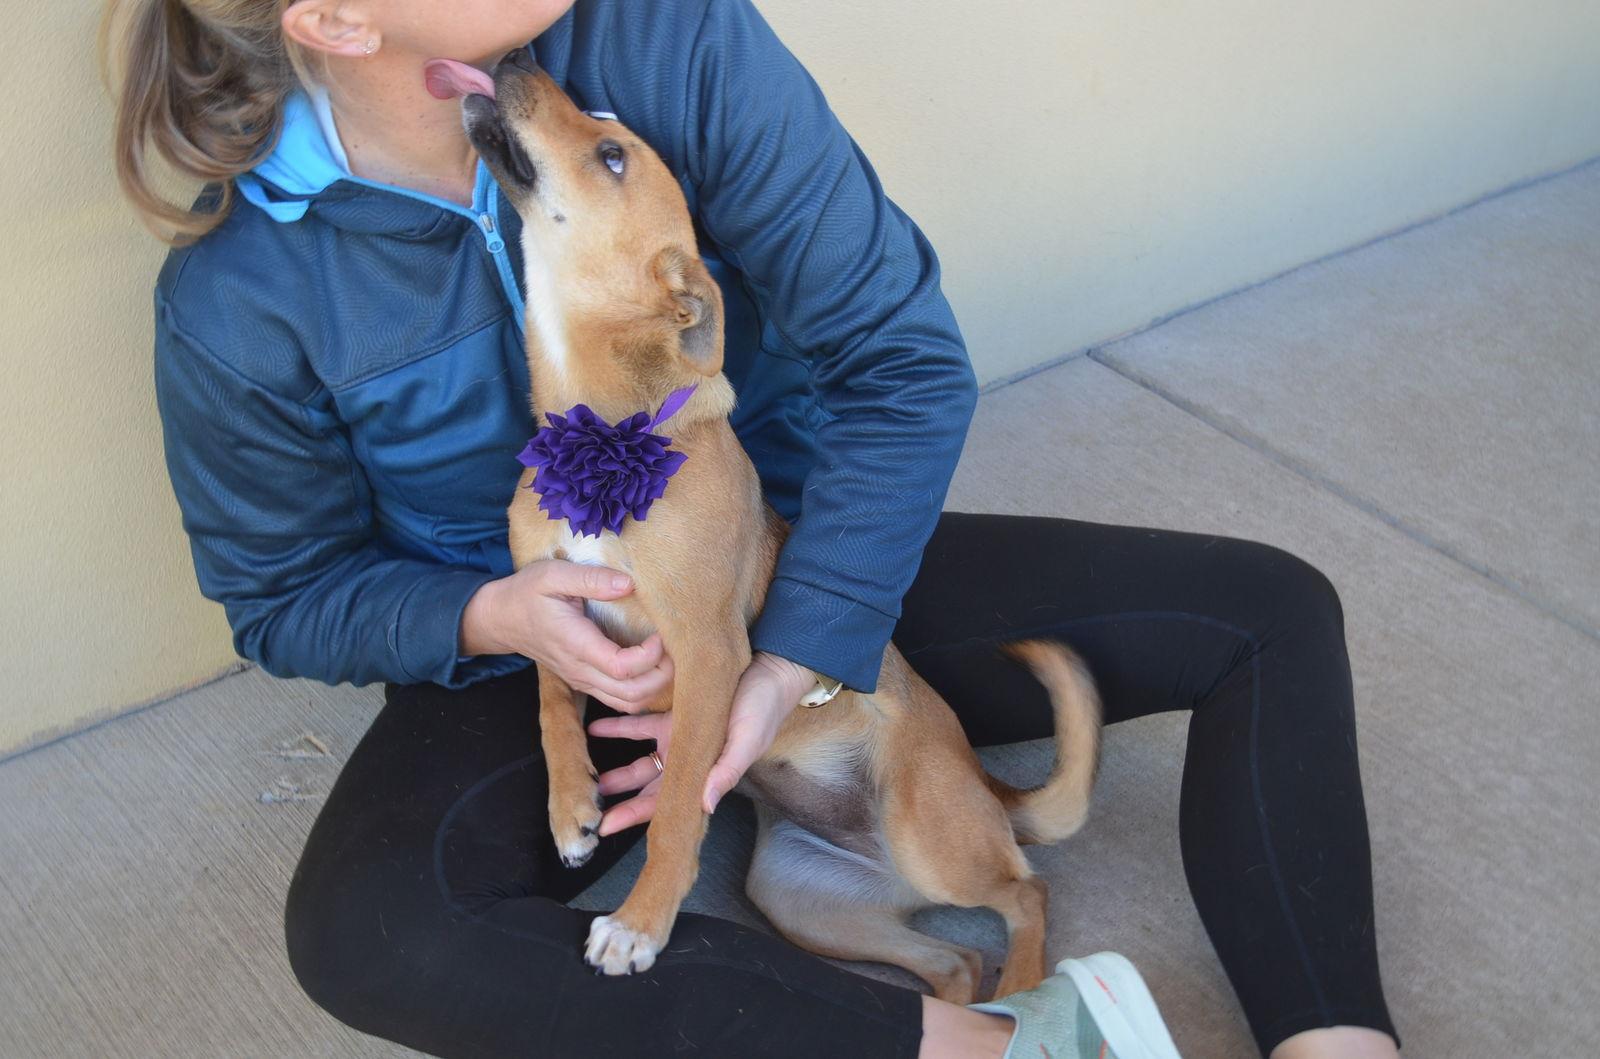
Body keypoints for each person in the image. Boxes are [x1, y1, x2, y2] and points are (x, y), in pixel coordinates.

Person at [104, 0, 1401, 1055]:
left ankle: (1337, 1045)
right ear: (335, 17)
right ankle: (1001, 1048)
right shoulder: (241, 294)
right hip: (525, 650)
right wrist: (488, 615)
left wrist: (801, 650)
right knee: (373, 934)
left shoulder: (670, 37)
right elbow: (282, 595)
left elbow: (900, 358)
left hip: (769, 552)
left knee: (1272, 610)